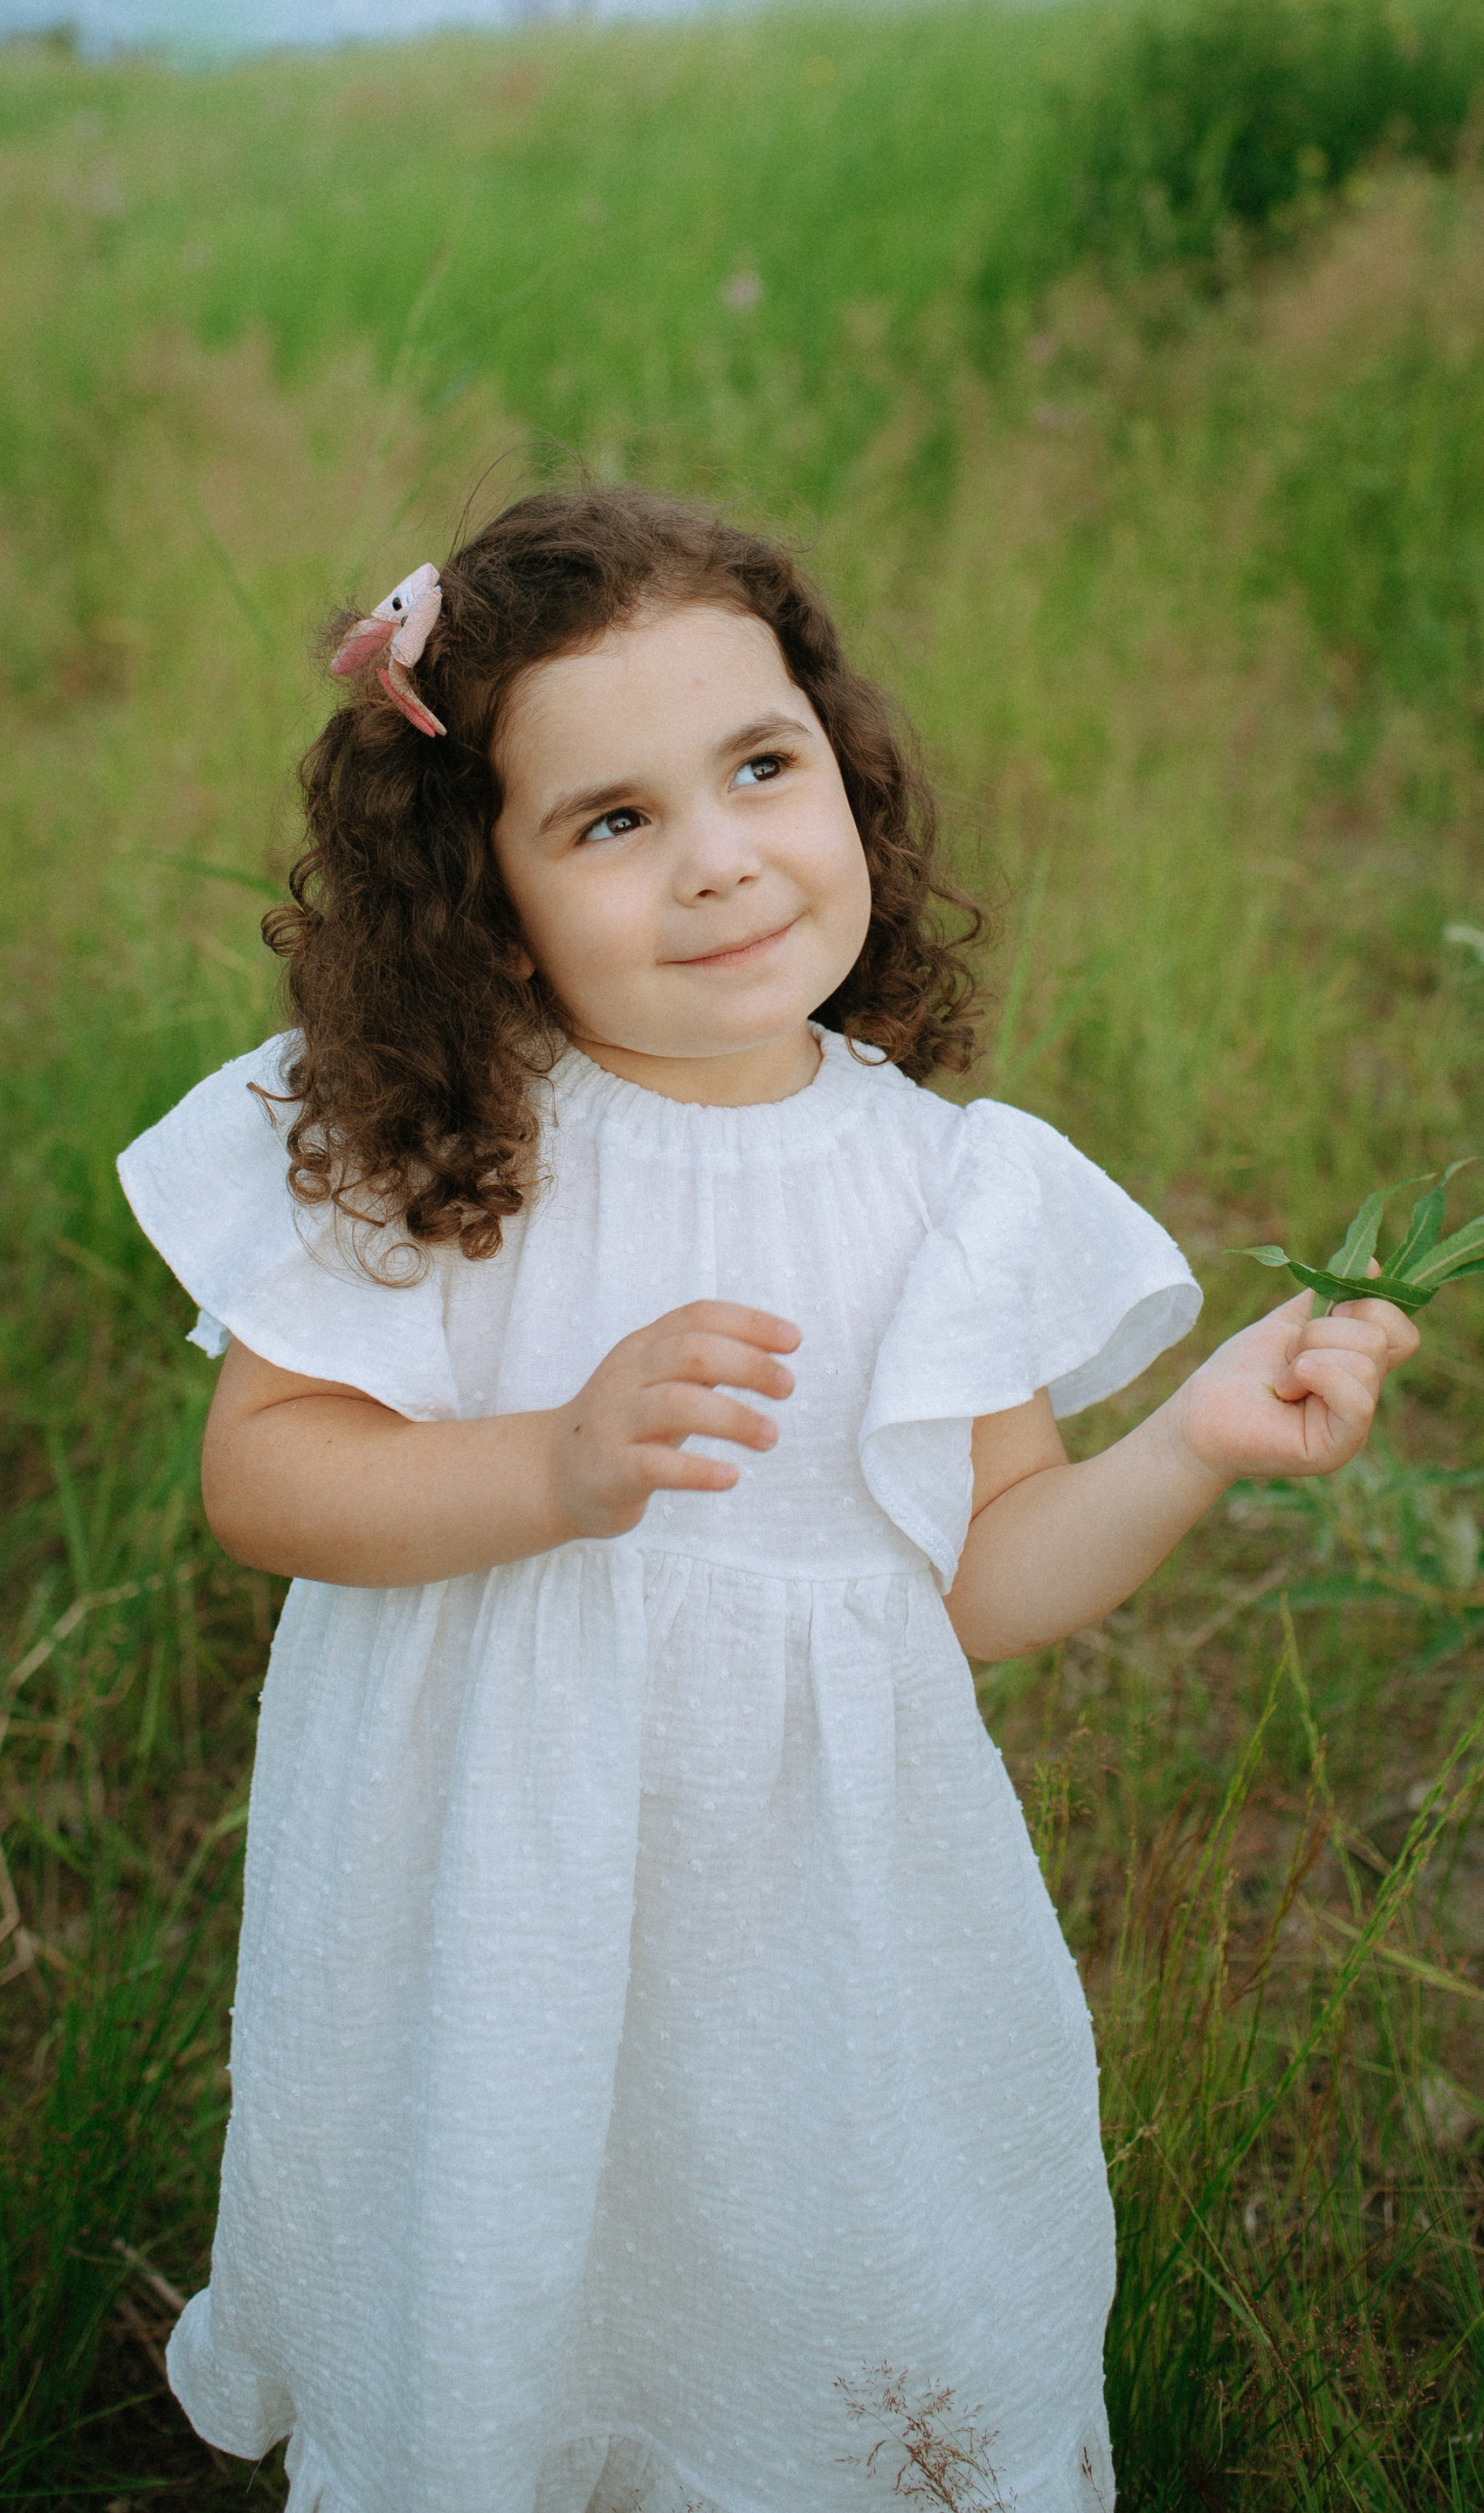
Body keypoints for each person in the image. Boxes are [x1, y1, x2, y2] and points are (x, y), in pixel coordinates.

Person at [118, 486, 1417, 2513]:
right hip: (490, 1898)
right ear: (489, 894)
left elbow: (976, 1576)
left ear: (842, 768)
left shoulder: (943, 1187)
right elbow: (267, 1478)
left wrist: (1190, 1444)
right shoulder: (444, 1141)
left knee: (818, 2277)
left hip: (816, 1917)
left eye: (758, 767)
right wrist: (549, 1462)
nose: (719, 857)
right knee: (502, 2251)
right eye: (610, 820)